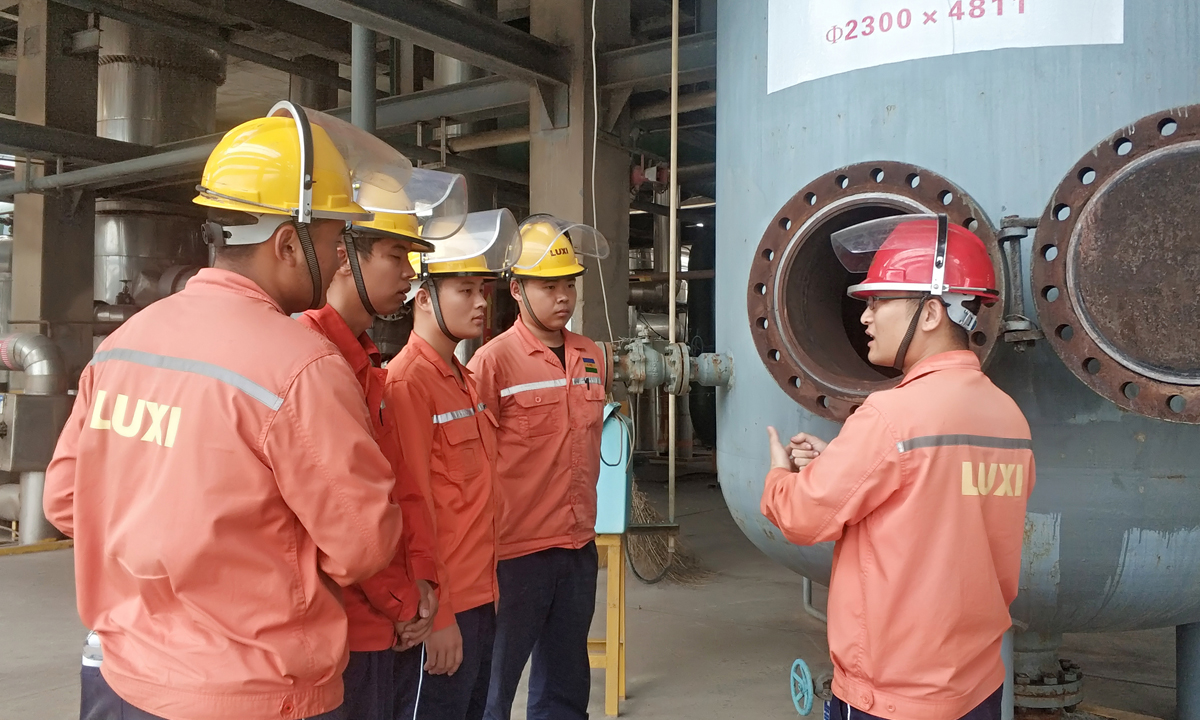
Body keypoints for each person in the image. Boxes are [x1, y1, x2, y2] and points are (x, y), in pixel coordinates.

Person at [43, 102, 404, 720]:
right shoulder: (303, 367)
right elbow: (364, 545)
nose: (340, 260)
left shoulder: (124, 343)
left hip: (122, 681)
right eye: (333, 240)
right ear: (288, 243)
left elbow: (65, 501)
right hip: (253, 692)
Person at [761, 215, 1034, 720]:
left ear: (930, 313)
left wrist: (781, 476)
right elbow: (934, 498)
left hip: (892, 698)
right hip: (976, 688)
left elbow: (802, 517)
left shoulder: (891, 417)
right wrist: (841, 460)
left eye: (878, 301)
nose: (865, 317)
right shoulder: (1009, 419)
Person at [297, 207, 443, 720]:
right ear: (343, 257)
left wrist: (423, 582)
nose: (409, 273)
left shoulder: (366, 362)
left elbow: (401, 489)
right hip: (341, 631)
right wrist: (405, 599)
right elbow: (343, 515)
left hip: (388, 619)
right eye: (396, 255)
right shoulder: (311, 360)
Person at [469, 216, 610, 720]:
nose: (563, 297)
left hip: (576, 546)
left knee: (565, 686)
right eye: (548, 287)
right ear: (516, 290)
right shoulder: (492, 363)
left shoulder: (590, 355)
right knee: (493, 687)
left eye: (568, 284)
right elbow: (472, 461)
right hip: (515, 554)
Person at [385, 210, 520, 720]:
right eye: (465, 290)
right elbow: (412, 509)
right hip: (445, 609)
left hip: (482, 597)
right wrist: (438, 615)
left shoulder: (464, 380)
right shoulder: (408, 384)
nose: (482, 302)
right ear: (423, 298)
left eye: (483, 290)